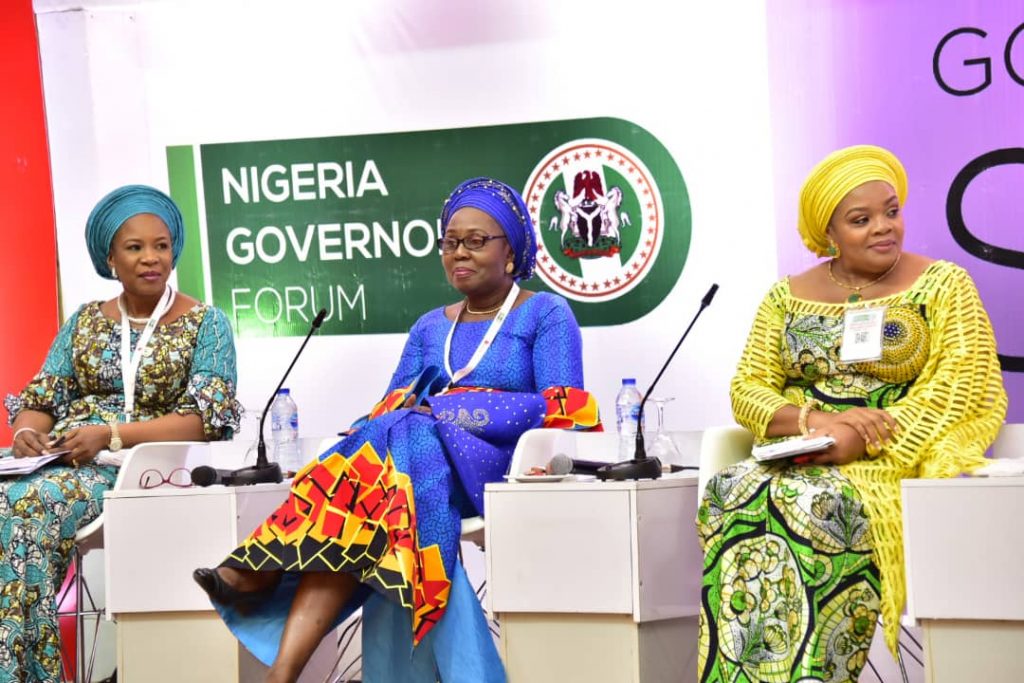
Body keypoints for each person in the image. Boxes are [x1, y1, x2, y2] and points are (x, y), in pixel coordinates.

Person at [193, 177, 599, 683]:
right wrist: (394, 418)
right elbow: (393, 403)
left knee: (396, 452)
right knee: (375, 483)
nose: (459, 253)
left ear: (511, 252)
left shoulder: (545, 312)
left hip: (496, 462)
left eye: (476, 241)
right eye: (450, 242)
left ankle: (263, 566)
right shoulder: (430, 325)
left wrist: (451, 410)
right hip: (410, 470)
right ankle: (282, 673)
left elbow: (563, 408)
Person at [698, 145, 1007, 682]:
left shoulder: (944, 285)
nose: (884, 228)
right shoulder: (784, 297)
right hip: (799, 448)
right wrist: (817, 426)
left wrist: (861, 439)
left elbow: (959, 388)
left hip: (889, 458)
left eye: (892, 211)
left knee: (813, 503)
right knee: (730, 489)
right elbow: (748, 386)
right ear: (829, 233)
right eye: (861, 220)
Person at [2, 185, 242, 682]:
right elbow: (42, 399)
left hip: (138, 467)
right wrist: (27, 433)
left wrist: (111, 434)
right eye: (135, 247)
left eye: (161, 246)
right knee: (12, 495)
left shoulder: (206, 323)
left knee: (28, 504)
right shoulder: (84, 322)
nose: (151, 258)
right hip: (63, 459)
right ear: (110, 258)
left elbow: (205, 419)